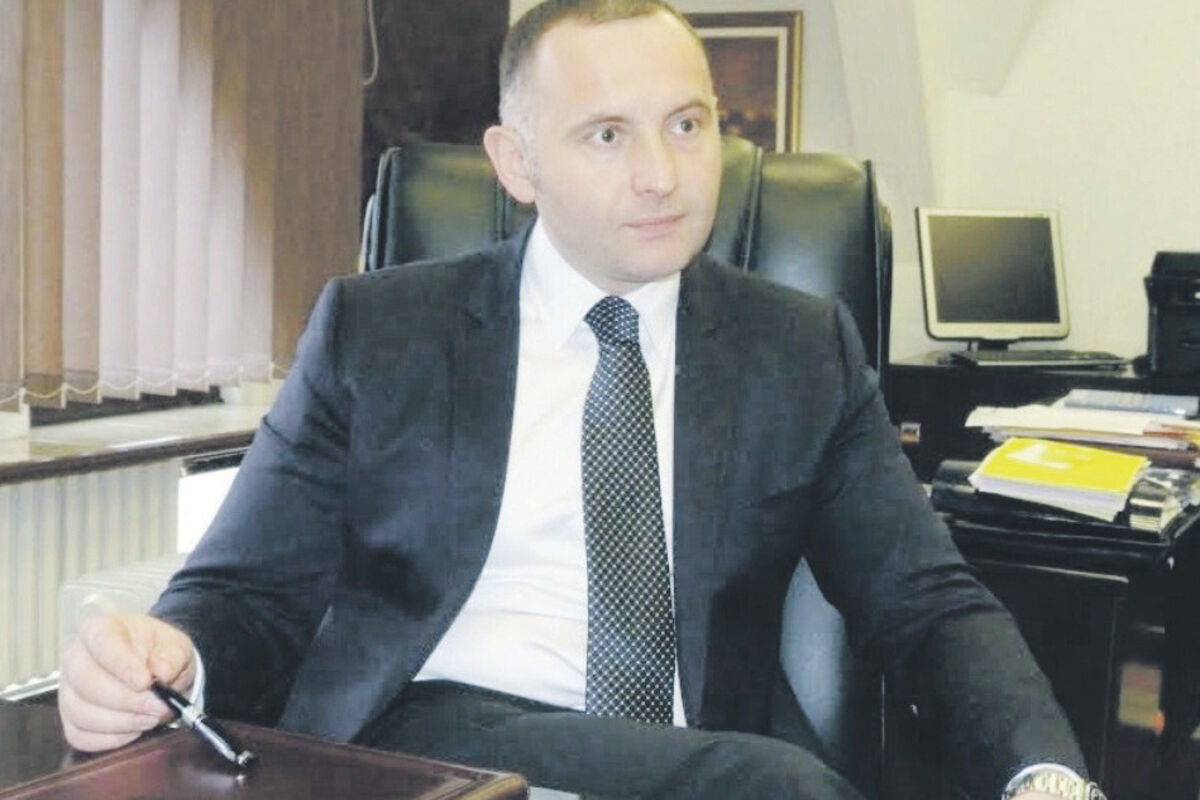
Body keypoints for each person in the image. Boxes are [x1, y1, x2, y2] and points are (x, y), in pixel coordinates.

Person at [57, 2, 1100, 798]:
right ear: (516, 163)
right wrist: (170, 656)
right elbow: (243, 591)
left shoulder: (798, 350)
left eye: (687, 124)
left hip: (685, 759)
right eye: (607, 135)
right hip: (438, 752)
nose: (662, 174)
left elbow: (928, 605)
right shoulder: (381, 334)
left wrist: (1043, 776)